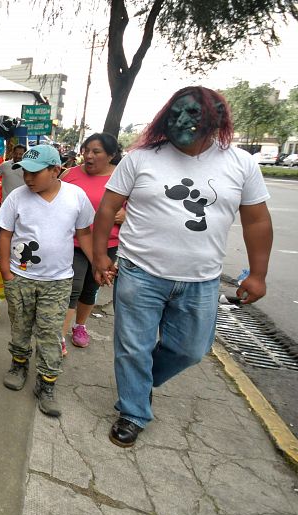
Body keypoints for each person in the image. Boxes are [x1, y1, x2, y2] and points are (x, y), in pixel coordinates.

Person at [91, 86, 273, 448]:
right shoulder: (141, 158)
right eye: (174, 113)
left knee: (192, 350)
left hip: (201, 280)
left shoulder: (240, 163)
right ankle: (133, 411)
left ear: (216, 119)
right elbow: (107, 209)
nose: (181, 121)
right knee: (133, 348)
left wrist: (258, 273)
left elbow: (257, 221)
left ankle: (139, 384)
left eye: (192, 114)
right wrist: (100, 256)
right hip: (139, 272)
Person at [0, 145, 95, 418]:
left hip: (58, 281)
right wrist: (6, 273)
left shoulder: (76, 196)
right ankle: (18, 365)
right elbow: (5, 234)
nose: (28, 178)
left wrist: (98, 261)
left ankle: (46, 383)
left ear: (55, 170)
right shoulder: (17, 197)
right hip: (21, 278)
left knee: (50, 333)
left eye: (35, 173)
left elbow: (84, 234)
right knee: (20, 327)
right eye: (25, 172)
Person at [60, 133, 124, 351]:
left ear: (111, 155)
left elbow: (142, 210)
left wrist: (127, 216)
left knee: (90, 288)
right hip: (75, 243)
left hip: (108, 245)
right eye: (86, 150)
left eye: (96, 152)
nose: (88, 156)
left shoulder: (122, 178)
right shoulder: (69, 175)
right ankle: (59, 336)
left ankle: (80, 326)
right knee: (73, 287)